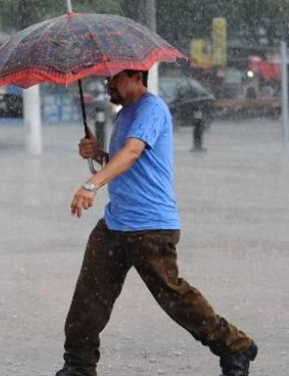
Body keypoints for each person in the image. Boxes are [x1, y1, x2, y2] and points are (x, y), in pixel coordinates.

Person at [55, 69, 257, 376]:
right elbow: (122, 161)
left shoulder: (152, 109)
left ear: (137, 75)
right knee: (88, 298)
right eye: (109, 78)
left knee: (174, 297)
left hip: (150, 226)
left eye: (115, 78)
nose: (109, 83)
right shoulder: (124, 114)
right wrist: (97, 152)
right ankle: (78, 367)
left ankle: (235, 345)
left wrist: (91, 184)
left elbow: (134, 153)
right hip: (115, 224)